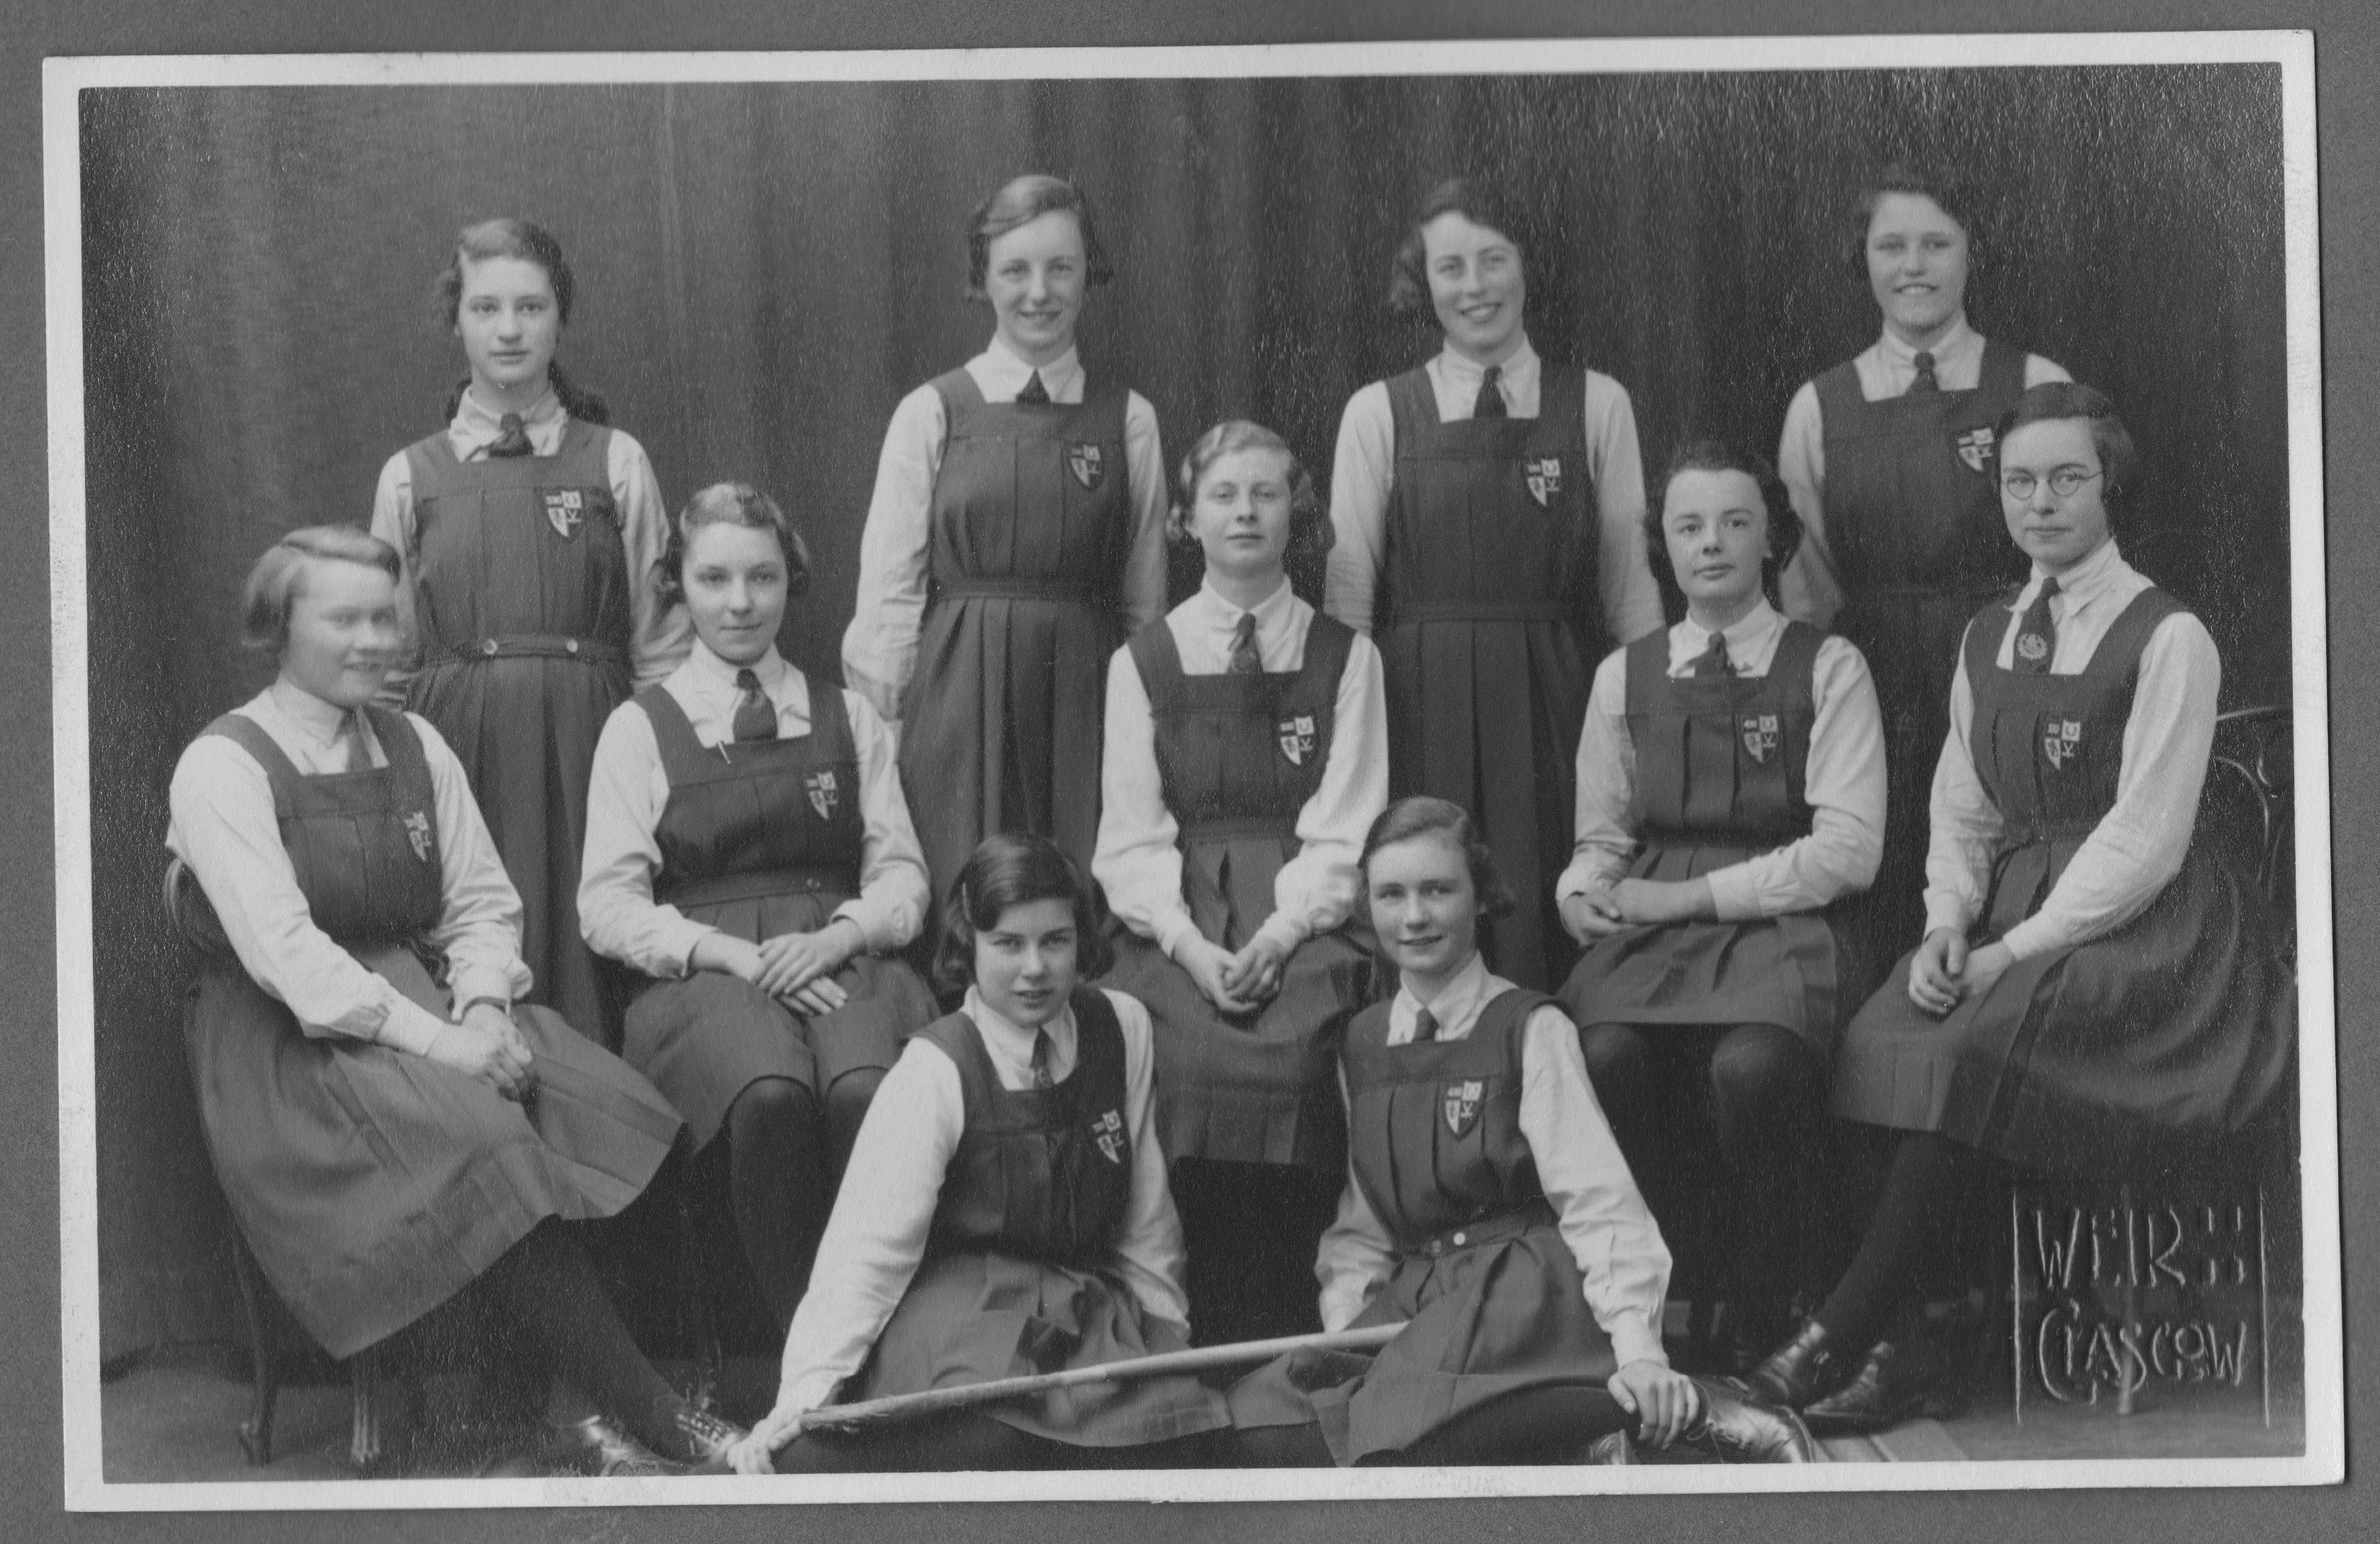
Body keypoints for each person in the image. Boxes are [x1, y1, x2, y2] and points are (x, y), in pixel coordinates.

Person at [1746, 384, 2296, 1431]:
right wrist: (1947, 925)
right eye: (2019, 481)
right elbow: (1963, 806)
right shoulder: (1989, 632)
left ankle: (1829, 1340)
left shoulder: (2169, 634)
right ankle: (1912, 1346)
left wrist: (2013, 948)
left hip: (2152, 934)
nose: (2040, 502)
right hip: (2012, 915)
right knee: (1878, 1034)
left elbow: (2146, 840)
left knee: (1967, 1049)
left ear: (2110, 485)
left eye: (2067, 478)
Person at [167, 527, 739, 1475]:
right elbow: (289, 959)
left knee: (606, 1105)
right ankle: (655, 1415)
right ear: (279, 627)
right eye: (342, 620)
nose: (372, 641)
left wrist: (481, 1009)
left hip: (426, 1000)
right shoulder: (223, 765)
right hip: (291, 1048)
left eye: (383, 618)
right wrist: (449, 1046)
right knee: (488, 1144)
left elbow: (479, 903)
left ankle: (525, 1413)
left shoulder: (415, 742)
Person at [1227, 798, 1813, 1467]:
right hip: (1421, 1301)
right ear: (1367, 905)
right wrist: (1346, 1337)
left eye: (1438, 890)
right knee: (1265, 1421)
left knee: (1395, 1433)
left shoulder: (1528, 1027)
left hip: (1522, 1294)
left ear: (1479, 897)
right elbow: (1363, 1228)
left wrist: (1640, 1352)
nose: (1414, 917)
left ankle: (1697, 1412)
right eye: (1391, 894)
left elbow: (1598, 1201)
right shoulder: (1361, 1043)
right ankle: (1579, 1434)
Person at [728, 834, 1234, 1474]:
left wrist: (1168, 1342)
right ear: (969, 946)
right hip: (965, 1315)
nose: (1035, 969)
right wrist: (799, 1401)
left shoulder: (1121, 1026)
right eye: (1008, 944)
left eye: (1055, 941)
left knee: (1176, 1425)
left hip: (1083, 1309)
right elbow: (864, 1259)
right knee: (993, 1438)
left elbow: (1146, 1222)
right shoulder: (935, 1069)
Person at [579, 483, 939, 1334]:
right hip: (706, 975)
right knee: (769, 1095)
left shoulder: (848, 715)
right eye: (713, 579)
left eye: (762, 577)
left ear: (791, 581)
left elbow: (903, 878)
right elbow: (607, 905)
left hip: (840, 957)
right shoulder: (640, 727)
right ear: (678, 586)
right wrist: (734, 955)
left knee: (866, 1090)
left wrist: (841, 936)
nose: (739, 602)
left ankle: (873, 1338)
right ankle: (805, 1354)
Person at [1556, 440, 1887, 1364]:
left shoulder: (1828, 666)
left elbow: (1848, 851)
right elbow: (1601, 837)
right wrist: (1578, 890)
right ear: (1662, 545)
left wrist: (1684, 898)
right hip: (1651, 935)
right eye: (1689, 526)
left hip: (1783, 921)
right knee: (1600, 1058)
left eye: (1736, 523)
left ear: (1771, 538)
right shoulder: (1623, 674)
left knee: (1754, 1069)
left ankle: (1765, 1310)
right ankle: (1650, 1310)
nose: (1712, 543)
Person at [1324, 177, 1665, 993]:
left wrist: (1655, 728)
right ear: (1424, 284)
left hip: (1555, 693)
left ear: (1526, 266)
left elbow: (1631, 591)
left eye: (1494, 260)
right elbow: (1348, 603)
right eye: (1451, 268)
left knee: (1545, 907)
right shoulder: (1377, 412)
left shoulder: (1598, 402)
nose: (1475, 287)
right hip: (1418, 700)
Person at [1093, 421, 1389, 1345]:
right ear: (1186, 520)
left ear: (1296, 514)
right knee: (1180, 1054)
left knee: (1303, 1047)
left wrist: (1280, 934)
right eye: (1223, 495)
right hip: (1180, 914)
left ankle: (1300, 1309)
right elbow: (1131, 836)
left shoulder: (1347, 655)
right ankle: (1199, 1314)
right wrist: (1188, 945)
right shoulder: (1144, 660)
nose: (1246, 513)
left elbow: (1348, 825)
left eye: (1266, 494)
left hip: (1307, 914)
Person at [370, 217, 691, 1047]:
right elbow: (386, 663)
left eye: (531, 307)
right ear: (457, 323)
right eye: (486, 309)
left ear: (560, 318)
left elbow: (661, 646)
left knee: (593, 953)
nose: (509, 330)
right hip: (459, 749)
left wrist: (655, 772)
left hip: (592, 745)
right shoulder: (410, 477)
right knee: (472, 942)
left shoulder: (615, 461)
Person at [842, 174, 1168, 897]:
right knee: (964, 895)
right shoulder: (931, 411)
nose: (1039, 293)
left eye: (1061, 268)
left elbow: (1145, 608)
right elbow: (888, 600)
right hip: (958, 695)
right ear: (983, 278)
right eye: (1015, 270)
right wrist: (890, 736)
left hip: (1083, 697)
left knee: (1075, 896)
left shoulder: (1129, 419)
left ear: (1089, 275)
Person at [1775, 163, 2069, 958]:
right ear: (1863, 258)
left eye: (1936, 243)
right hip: (1874, 687)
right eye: (1892, 246)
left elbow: (2075, 561)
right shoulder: (1818, 407)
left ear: (1971, 252)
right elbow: (1807, 588)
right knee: (1889, 896)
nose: (1914, 266)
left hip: (2009, 673)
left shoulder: (2034, 382)